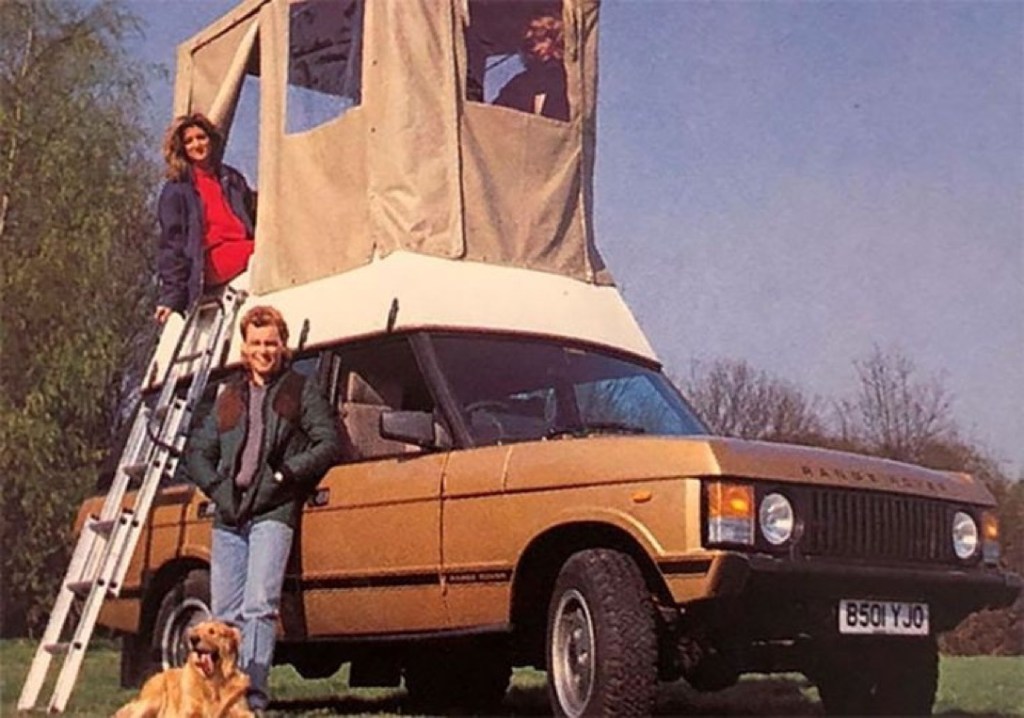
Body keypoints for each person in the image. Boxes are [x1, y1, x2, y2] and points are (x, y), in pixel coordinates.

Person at [187, 305, 341, 713]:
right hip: (229, 515)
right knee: (224, 615)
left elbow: (328, 442)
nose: (263, 351)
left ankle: (251, 700)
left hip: (273, 511)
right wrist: (217, 488)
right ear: (244, 347)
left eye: (271, 343)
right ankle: (222, 701)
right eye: (256, 343)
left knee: (259, 606)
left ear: (283, 345)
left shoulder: (299, 389)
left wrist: (286, 474)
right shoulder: (229, 395)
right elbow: (197, 452)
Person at [155, 113, 256, 324]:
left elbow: (253, 214)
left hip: (243, 246)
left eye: (201, 137)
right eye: (189, 141)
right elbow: (172, 245)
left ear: (211, 139)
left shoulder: (231, 178)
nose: (197, 145)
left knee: (275, 247)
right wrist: (171, 297)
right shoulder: (177, 189)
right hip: (210, 260)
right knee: (265, 251)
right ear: (182, 148)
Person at [494, 13, 569, 122]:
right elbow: (495, 116)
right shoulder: (517, 84)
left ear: (556, 40)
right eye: (530, 43)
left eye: (541, 40)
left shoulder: (572, 82)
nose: (535, 48)